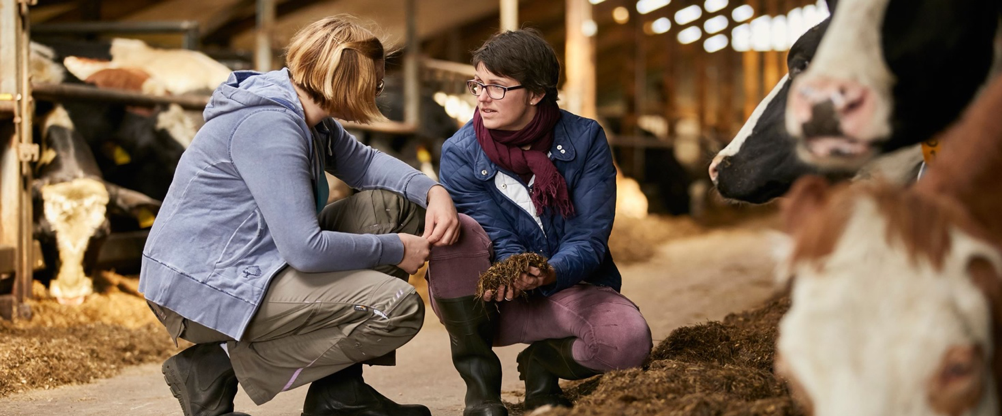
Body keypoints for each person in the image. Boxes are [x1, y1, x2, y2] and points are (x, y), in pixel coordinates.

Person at [139, 16, 459, 416]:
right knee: (394, 306)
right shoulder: (271, 126)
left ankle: (340, 396)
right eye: (373, 83)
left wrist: (435, 191)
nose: (377, 92)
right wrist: (394, 249)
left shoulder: (308, 114)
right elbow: (305, 250)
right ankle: (213, 367)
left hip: (254, 262)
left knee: (393, 208)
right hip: (204, 287)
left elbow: (367, 165)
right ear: (346, 82)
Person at [428, 29, 653, 416]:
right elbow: (494, 231)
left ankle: (543, 362)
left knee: (629, 343)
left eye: (497, 87)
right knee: (459, 228)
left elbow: (589, 237)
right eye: (478, 83)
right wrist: (519, 270)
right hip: (491, 302)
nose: (482, 97)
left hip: (565, 286)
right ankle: (481, 391)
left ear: (535, 93)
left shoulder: (584, 139)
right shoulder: (460, 152)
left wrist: (548, 272)